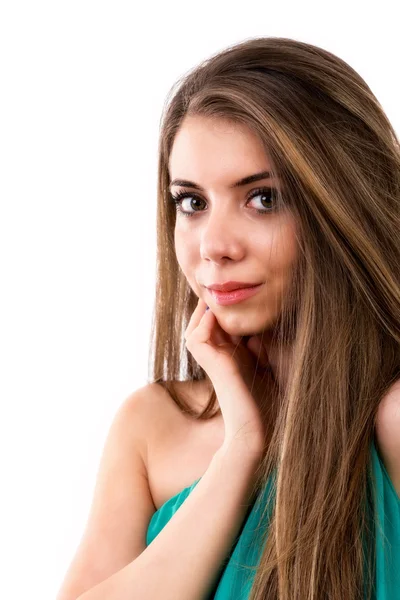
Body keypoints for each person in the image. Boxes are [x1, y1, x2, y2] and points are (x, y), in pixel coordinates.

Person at [57, 36, 400, 600]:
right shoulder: (153, 426)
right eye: (192, 202)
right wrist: (240, 447)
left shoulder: (389, 419)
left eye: (263, 198)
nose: (213, 245)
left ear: (344, 205)